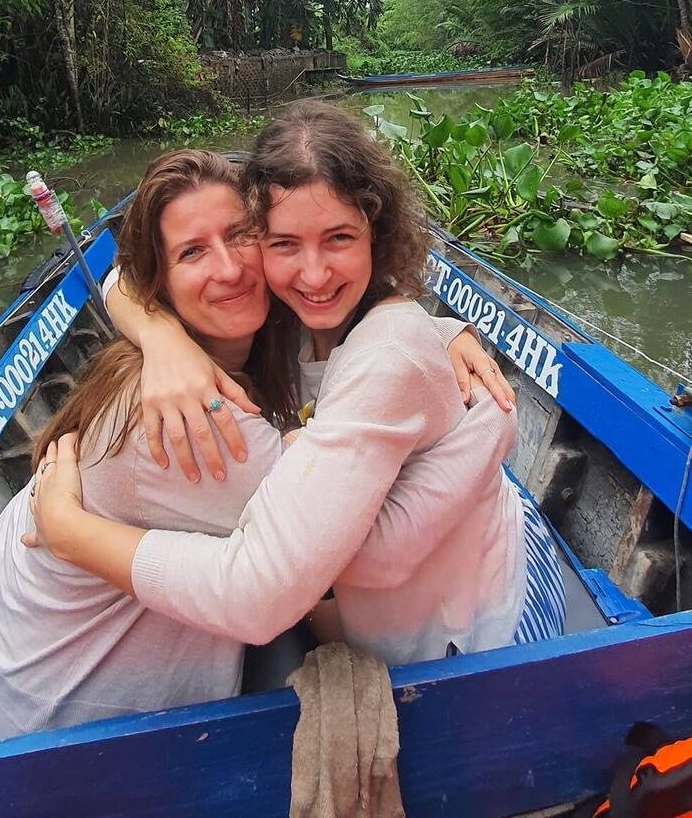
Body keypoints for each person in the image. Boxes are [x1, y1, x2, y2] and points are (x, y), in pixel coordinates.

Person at [0, 146, 511, 740]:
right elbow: (353, 552)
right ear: (160, 282)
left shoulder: (239, 330)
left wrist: (438, 329)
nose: (228, 269)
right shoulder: (188, 422)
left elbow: (119, 280)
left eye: (240, 235)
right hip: (64, 726)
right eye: (192, 252)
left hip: (1, 619)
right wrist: (493, 424)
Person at [28, 102, 566, 668]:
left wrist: (69, 532)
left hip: (482, 632)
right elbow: (120, 276)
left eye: (339, 238)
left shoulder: (381, 346)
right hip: (411, 599)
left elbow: (359, 558)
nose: (312, 275)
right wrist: (162, 338)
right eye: (283, 243)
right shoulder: (285, 316)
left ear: (376, 233)